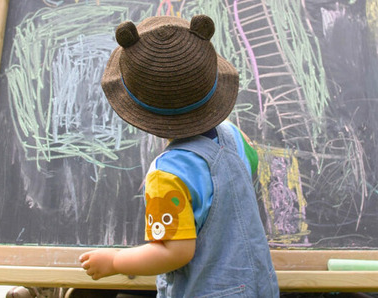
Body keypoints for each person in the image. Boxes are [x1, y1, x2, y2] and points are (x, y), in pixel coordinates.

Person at [79, 15, 279, 297]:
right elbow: (252, 165)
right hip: (260, 287)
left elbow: (175, 252)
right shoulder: (234, 136)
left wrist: (114, 261)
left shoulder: (168, 174)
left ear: (143, 112)